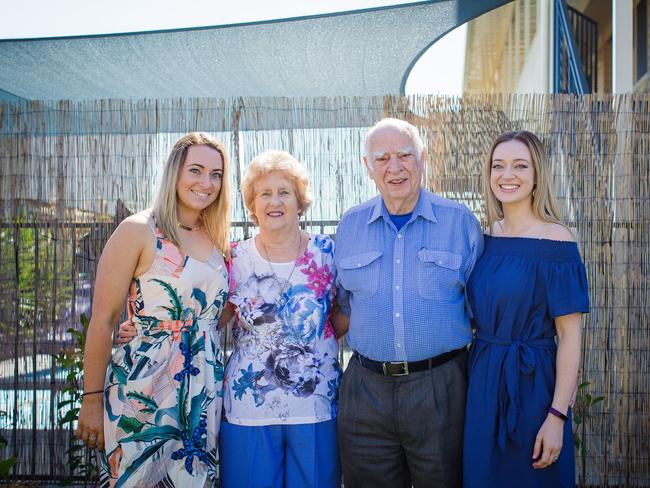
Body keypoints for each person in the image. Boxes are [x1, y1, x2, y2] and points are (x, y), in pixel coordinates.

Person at [334, 118, 484, 488]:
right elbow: (342, 307)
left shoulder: (460, 223)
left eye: (405, 155)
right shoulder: (349, 226)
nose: (395, 167)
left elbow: (482, 311)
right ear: (367, 167)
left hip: (441, 388)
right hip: (366, 390)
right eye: (382, 158)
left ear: (423, 158)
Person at [75, 132, 231, 487]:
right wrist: (91, 400)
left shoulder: (216, 237)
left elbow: (215, 313)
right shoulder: (139, 230)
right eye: (196, 170)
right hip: (143, 390)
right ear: (174, 172)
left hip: (201, 393)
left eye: (216, 174)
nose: (207, 183)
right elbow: (103, 321)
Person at [463, 131, 589, 487]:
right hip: (483, 383)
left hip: (534, 386)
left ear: (537, 176)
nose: (508, 175)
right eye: (498, 166)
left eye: (520, 166)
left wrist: (557, 416)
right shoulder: (484, 236)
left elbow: (569, 336)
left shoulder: (556, 240)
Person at [219, 150, 342, 488]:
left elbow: (342, 314)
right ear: (252, 205)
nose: (275, 201)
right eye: (265, 193)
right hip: (250, 408)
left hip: (315, 404)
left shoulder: (327, 253)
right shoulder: (234, 259)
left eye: (284, 192)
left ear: (300, 201)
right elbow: (211, 320)